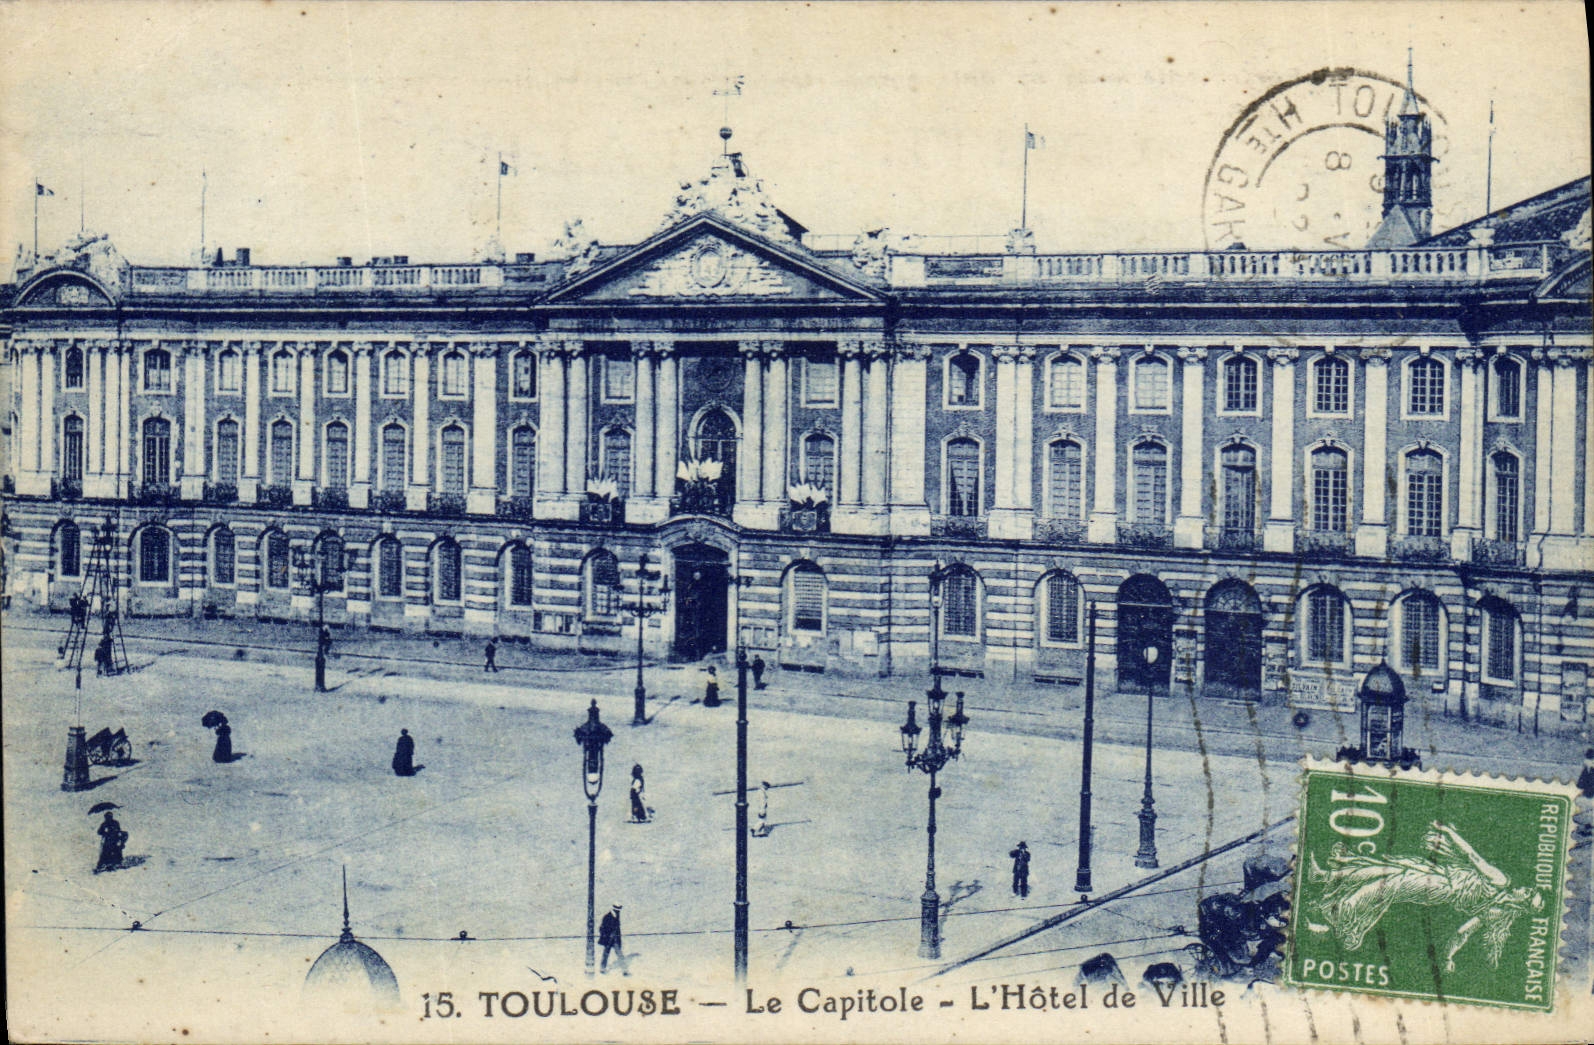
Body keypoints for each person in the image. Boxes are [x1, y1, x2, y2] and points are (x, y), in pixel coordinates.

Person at [598, 904, 627, 974]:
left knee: (619, 954)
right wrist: (607, 936)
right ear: (614, 909)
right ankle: (602, 969)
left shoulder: (617, 916)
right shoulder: (607, 917)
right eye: (617, 910)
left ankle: (624, 970)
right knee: (606, 954)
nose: (618, 912)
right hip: (608, 940)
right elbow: (602, 928)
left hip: (615, 940)